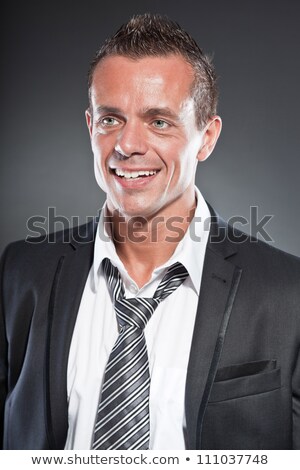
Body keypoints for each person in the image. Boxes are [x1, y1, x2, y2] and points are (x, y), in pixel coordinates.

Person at [0, 13, 299, 451]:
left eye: (159, 121)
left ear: (207, 137)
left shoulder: (287, 294)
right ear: (90, 126)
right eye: (110, 120)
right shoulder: (20, 273)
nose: (127, 145)